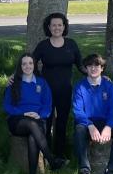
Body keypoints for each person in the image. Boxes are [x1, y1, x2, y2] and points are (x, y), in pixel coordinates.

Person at [3, 54, 67, 174]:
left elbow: (48, 105)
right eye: (24, 64)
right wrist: (23, 113)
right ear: (20, 66)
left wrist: (40, 115)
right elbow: (7, 106)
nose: (27, 66)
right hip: (17, 120)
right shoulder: (13, 83)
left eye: (30, 63)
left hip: (38, 119)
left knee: (33, 136)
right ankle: (51, 159)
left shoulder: (42, 83)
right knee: (32, 125)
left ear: (34, 65)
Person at [31, 13, 84, 159]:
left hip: (65, 90)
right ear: (48, 27)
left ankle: (60, 155)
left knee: (62, 122)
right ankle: (47, 155)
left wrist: (99, 76)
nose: (57, 28)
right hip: (46, 91)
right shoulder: (43, 46)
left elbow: (81, 66)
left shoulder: (71, 44)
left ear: (64, 26)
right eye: (53, 25)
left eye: (60, 25)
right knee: (46, 122)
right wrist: (36, 79)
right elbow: (30, 63)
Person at [72, 54, 113, 174]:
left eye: (97, 65)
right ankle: (84, 171)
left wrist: (108, 127)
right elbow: (78, 111)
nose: (93, 68)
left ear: (102, 68)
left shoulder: (109, 87)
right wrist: (90, 125)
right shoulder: (79, 86)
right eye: (90, 66)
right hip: (87, 122)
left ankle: (111, 170)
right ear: (86, 68)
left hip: (105, 122)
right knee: (79, 131)